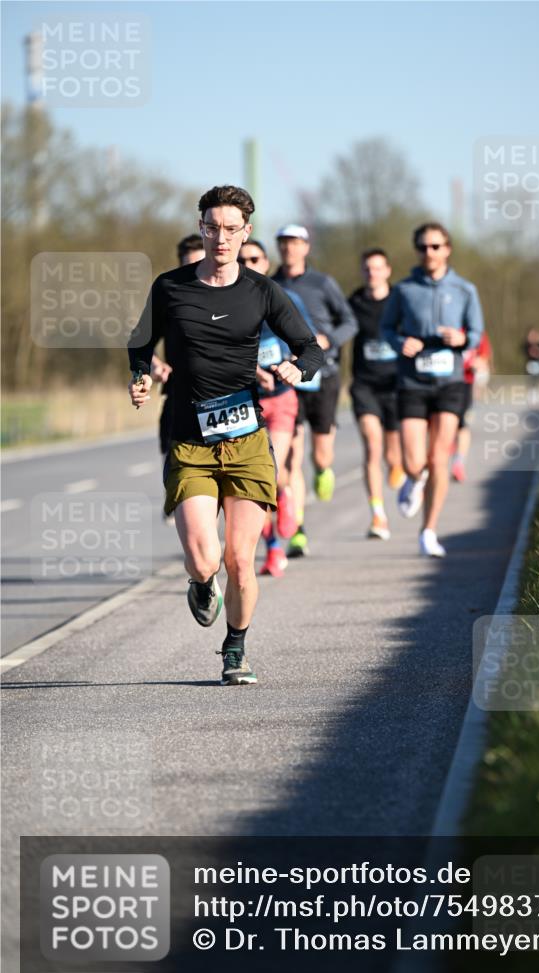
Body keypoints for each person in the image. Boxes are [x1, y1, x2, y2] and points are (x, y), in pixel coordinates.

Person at [128, 186, 323, 685]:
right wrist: (142, 374)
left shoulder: (262, 290)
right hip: (190, 440)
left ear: (246, 232)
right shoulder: (171, 287)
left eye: (232, 229)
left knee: (239, 559)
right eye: (212, 227)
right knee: (204, 559)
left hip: (246, 440)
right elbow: (140, 342)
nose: (221, 238)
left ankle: (235, 649)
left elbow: (310, 347)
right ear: (201, 227)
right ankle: (200, 583)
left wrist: (296, 368)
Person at [381, 222, 484, 557]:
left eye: (436, 246)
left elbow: (477, 333)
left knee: (439, 457)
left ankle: (428, 531)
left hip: (450, 382)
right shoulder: (404, 290)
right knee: (414, 462)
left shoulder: (465, 289)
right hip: (412, 382)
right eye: (423, 247)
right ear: (417, 250)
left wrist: (463, 339)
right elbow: (386, 328)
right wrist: (400, 342)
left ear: (447, 249)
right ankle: (415, 479)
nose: (429, 252)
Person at [272, 224, 358, 557]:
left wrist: (329, 340)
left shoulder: (323, 284)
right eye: (283, 243)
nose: (289, 248)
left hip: (324, 374)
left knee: (321, 453)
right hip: (288, 378)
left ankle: (323, 469)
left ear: (306, 247)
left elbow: (349, 321)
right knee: (290, 457)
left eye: (295, 243)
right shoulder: (270, 285)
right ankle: (298, 530)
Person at [239, 238, 314, 577]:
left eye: (254, 258)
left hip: (282, 398)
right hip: (245, 402)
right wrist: (252, 369)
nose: (248, 264)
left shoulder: (284, 298)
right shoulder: (226, 303)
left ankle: (284, 494)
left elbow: (306, 342)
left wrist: (292, 364)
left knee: (270, 469)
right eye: (242, 259)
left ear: (266, 263)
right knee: (255, 477)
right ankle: (271, 547)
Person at [348, 248, 404, 541]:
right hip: (365, 384)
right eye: (367, 268)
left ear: (388, 270)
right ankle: (378, 515)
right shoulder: (353, 303)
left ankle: (397, 464)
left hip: (395, 384)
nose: (372, 273)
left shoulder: (399, 300)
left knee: (393, 455)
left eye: (378, 268)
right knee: (372, 445)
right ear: (362, 271)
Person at [150, 235, 205, 459]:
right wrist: (154, 364)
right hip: (178, 400)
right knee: (175, 475)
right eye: (189, 266)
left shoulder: (232, 297)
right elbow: (141, 341)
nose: (195, 272)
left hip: (224, 403)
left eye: (200, 265)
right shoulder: (169, 299)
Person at [451, 330, 492, 483]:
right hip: (442, 384)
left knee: (463, 425)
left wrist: (478, 363)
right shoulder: (441, 325)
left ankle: (458, 464)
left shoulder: (474, 330)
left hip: (466, 384)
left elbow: (484, 359)